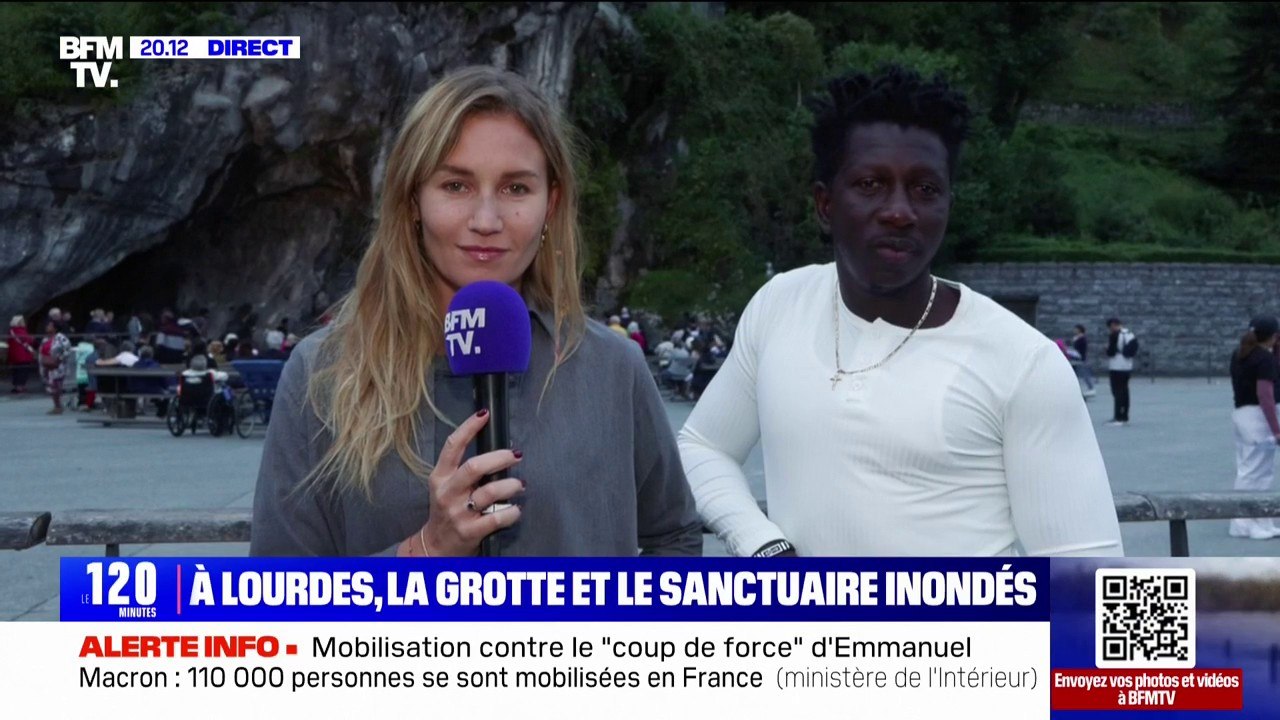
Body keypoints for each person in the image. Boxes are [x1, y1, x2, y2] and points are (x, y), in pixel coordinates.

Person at [250, 65, 700, 557]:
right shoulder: (322, 375)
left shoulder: (612, 369)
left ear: (550, 205)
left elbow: (673, 537)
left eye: (515, 189)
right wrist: (425, 550)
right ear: (413, 199)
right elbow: (278, 590)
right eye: (456, 186)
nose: (486, 220)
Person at [677, 65, 1122, 557]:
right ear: (825, 205)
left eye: (925, 189)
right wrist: (761, 545)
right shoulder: (780, 304)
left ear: (948, 205)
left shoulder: (1025, 365)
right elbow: (702, 447)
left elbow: (1094, 581)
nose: (899, 212)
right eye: (871, 184)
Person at [1228, 316, 1280, 540]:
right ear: (1273, 336)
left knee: (1252, 471)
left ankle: (1256, 521)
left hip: (1242, 414)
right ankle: (1246, 524)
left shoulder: (1240, 354)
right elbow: (1265, 395)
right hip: (1259, 417)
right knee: (1256, 473)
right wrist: (1276, 429)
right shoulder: (1264, 359)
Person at [1104, 317, 1137, 426]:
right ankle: (1124, 415)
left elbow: (1111, 351)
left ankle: (1118, 416)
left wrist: (1109, 349)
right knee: (1124, 391)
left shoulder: (1117, 335)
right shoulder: (1129, 334)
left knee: (1117, 391)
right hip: (1126, 366)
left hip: (1117, 366)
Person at [37, 319, 71, 415]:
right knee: (51, 386)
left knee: (56, 386)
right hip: (46, 365)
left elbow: (68, 350)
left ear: (55, 328)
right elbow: (41, 351)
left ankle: (58, 406)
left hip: (58, 366)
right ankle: (57, 405)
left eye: (50, 326)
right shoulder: (45, 339)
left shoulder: (61, 338)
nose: (47, 327)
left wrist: (59, 359)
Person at [8, 315, 35, 394]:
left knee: (16, 371)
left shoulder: (12, 331)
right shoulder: (20, 330)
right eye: (22, 321)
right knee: (22, 370)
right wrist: (31, 339)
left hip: (15, 354)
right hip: (22, 354)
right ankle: (20, 387)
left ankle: (17, 386)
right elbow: (26, 340)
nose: (24, 322)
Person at [1071, 324, 1096, 398]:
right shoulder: (1076, 338)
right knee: (1077, 374)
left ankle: (1091, 388)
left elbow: (1082, 349)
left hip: (1081, 358)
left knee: (1085, 374)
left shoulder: (1082, 338)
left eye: (1076, 329)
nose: (1074, 330)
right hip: (1075, 358)